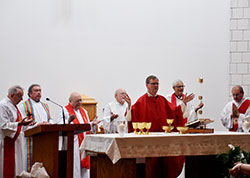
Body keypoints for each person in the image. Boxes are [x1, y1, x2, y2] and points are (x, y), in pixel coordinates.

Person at [127, 75, 193, 178]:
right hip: (149, 143)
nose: (156, 86)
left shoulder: (162, 100)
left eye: (157, 84)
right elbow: (132, 116)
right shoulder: (141, 101)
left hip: (163, 142)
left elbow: (175, 112)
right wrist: (129, 106)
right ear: (147, 85)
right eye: (153, 84)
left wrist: (183, 103)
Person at [58, 92, 100, 178]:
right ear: (70, 101)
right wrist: (68, 122)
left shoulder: (84, 111)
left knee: (84, 168)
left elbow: (86, 126)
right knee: (75, 166)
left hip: (83, 143)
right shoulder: (64, 110)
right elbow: (60, 125)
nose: (79, 103)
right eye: (77, 101)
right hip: (73, 143)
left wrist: (92, 124)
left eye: (80, 100)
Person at [0, 85, 35, 177]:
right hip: (8, 142)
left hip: (17, 142)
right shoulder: (3, 105)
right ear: (12, 95)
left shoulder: (14, 106)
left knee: (18, 168)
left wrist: (27, 124)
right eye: (20, 96)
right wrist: (19, 124)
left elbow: (18, 124)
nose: (22, 99)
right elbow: (3, 126)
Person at [19, 84, 51, 171]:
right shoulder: (24, 106)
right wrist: (38, 125)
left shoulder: (45, 106)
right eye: (36, 91)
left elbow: (50, 119)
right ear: (30, 94)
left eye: (40, 91)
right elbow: (22, 124)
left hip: (45, 138)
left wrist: (49, 123)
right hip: (31, 139)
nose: (39, 93)